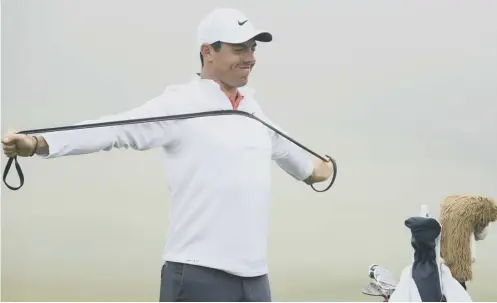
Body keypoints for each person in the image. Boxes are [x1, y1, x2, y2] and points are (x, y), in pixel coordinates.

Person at [2, 7, 333, 302]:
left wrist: (326, 168)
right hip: (198, 276)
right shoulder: (180, 103)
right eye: (238, 48)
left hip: (256, 282)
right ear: (208, 52)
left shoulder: (254, 111)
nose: (250, 56)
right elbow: (115, 129)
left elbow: (308, 167)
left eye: (252, 48)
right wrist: (37, 142)